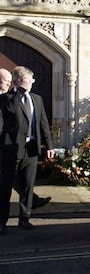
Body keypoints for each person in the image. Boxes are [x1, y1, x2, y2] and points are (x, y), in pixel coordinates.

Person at [0, 66, 55, 232]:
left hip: (30, 148)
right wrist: (19, 92)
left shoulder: (36, 99)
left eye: (32, 79)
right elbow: (9, 110)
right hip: (11, 149)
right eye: (28, 79)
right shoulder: (7, 98)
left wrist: (49, 145)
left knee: (27, 185)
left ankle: (25, 218)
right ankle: (1, 222)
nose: (32, 82)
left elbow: (43, 124)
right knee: (5, 186)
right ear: (18, 81)